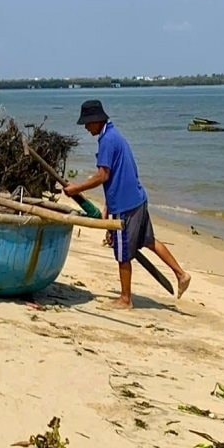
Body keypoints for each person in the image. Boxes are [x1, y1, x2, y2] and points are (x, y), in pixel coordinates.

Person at [63, 99, 191, 308]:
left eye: (87, 123)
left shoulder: (107, 141)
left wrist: (76, 188)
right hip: (137, 198)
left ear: (96, 120)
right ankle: (181, 274)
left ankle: (125, 298)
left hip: (126, 205)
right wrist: (107, 208)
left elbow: (103, 176)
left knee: (122, 253)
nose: (86, 128)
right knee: (148, 241)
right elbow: (116, 177)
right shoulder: (115, 136)